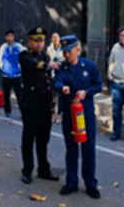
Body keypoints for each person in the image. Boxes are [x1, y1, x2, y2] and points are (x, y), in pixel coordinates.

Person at [53, 35, 102, 200]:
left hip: (85, 113)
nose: (67, 55)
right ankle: (71, 182)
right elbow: (56, 82)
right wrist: (62, 88)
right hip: (69, 113)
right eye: (64, 52)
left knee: (88, 149)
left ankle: (90, 184)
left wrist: (86, 92)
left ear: (78, 49)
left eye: (70, 51)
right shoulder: (62, 67)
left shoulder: (89, 66)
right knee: (71, 149)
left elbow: (98, 84)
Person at [19, 27, 59, 184]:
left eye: (41, 41)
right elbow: (34, 65)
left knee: (43, 139)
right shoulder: (24, 55)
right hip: (31, 103)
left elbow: (48, 79)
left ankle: (43, 169)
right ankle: (27, 170)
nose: (39, 44)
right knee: (29, 138)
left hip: (44, 103)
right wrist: (48, 65)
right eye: (36, 41)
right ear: (29, 41)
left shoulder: (45, 55)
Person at [0, 29, 24, 119]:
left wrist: (19, 69)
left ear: (14, 37)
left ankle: (23, 112)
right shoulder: (3, 47)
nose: (9, 38)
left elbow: (24, 58)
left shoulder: (19, 47)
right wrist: (4, 68)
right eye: (8, 36)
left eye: (11, 36)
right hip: (6, 75)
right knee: (6, 95)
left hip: (17, 75)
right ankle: (7, 112)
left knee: (19, 95)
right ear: (5, 37)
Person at [47, 32, 63, 124]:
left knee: (60, 96)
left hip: (60, 74)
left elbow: (63, 59)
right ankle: (52, 114)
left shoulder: (63, 48)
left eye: (57, 38)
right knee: (52, 95)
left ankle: (59, 114)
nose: (55, 39)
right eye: (53, 38)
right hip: (52, 74)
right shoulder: (49, 49)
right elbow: (49, 60)